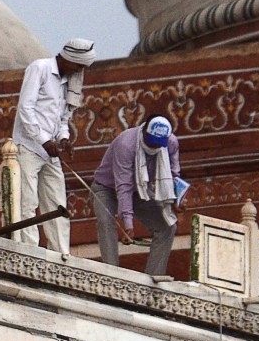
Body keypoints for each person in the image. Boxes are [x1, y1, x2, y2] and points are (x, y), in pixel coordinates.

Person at [11, 38, 96, 252]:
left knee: (58, 204)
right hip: (29, 147)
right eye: (79, 65)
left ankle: (61, 254)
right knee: (27, 203)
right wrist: (43, 140)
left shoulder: (69, 81)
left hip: (50, 152)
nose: (80, 71)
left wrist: (64, 139)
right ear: (69, 58)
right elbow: (25, 109)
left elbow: (62, 118)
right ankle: (28, 250)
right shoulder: (40, 68)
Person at [91, 114, 181, 276]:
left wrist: (177, 198)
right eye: (152, 143)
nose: (155, 148)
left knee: (168, 227)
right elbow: (123, 185)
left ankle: (154, 279)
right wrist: (128, 224)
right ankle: (112, 276)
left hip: (141, 189)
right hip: (106, 188)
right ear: (145, 132)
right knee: (105, 222)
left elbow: (174, 174)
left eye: (158, 145)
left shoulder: (170, 142)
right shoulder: (126, 144)